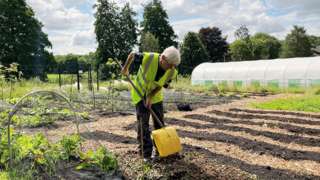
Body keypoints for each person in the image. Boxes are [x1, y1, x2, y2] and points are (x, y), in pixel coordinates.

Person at [121, 46, 181, 162]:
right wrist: (125, 68)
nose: (171, 68)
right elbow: (132, 54)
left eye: (174, 66)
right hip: (140, 93)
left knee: (159, 124)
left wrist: (150, 96)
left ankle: (161, 150)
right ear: (162, 58)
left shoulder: (172, 71)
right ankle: (146, 154)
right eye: (170, 64)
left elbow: (161, 85)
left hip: (155, 97)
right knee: (143, 125)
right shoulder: (148, 58)